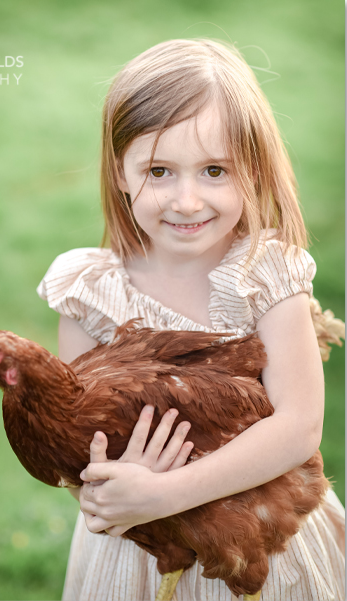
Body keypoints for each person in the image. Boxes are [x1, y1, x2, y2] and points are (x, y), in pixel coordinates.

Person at [37, 39, 345, 600]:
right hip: (139, 549)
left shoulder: (264, 275)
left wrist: (168, 493)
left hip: (258, 533)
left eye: (213, 170)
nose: (186, 200)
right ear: (121, 172)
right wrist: (103, 495)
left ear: (251, 168)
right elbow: (73, 442)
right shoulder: (91, 294)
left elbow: (300, 427)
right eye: (158, 170)